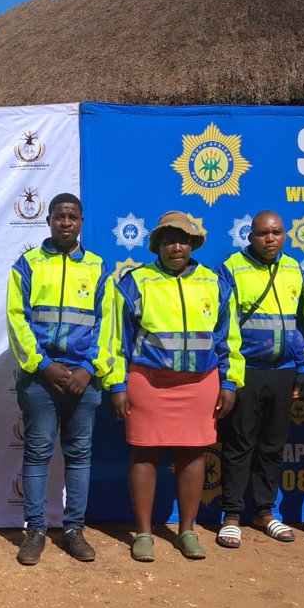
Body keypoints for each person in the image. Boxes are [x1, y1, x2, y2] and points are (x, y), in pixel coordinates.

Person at [109, 211, 244, 562]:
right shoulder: (135, 282)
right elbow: (116, 339)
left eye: (183, 240)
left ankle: (187, 530)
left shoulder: (214, 283)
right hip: (148, 381)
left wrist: (229, 381)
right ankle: (143, 533)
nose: (176, 247)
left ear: (194, 243)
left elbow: (227, 338)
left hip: (200, 383)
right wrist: (116, 384)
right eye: (169, 240)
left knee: (192, 453)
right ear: (158, 245)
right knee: (145, 453)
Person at [7, 193, 116, 565]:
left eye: (72, 216)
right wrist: (42, 364)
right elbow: (16, 319)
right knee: (37, 454)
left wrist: (89, 368)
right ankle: (35, 530)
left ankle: (74, 530)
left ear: (81, 222)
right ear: (49, 221)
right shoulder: (28, 264)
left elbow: (108, 326)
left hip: (83, 378)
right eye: (58, 216)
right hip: (42, 378)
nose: (65, 222)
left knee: (79, 456)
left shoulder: (99, 267)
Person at [216, 210, 304, 549]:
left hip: (284, 372)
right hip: (247, 372)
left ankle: (265, 511)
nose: (270, 239)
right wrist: (230, 375)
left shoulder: (295, 270)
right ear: (250, 236)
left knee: (272, 446)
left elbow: (302, 326)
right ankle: (231, 515)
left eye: (277, 232)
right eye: (262, 233)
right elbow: (224, 327)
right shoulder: (231, 268)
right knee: (240, 445)